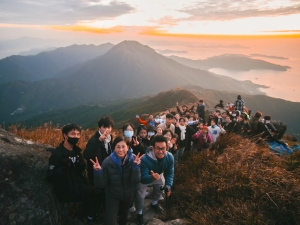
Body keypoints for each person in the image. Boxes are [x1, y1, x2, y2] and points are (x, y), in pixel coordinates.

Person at [47, 123, 101, 223]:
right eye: (73, 134)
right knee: (97, 193)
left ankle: (87, 214)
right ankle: (90, 218)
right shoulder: (58, 154)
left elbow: (78, 171)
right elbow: (50, 177)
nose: (76, 136)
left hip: (77, 184)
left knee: (98, 190)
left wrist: (81, 165)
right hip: (66, 189)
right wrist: (63, 168)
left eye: (78, 134)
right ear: (65, 135)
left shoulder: (76, 151)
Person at [91, 136, 143, 225]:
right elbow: (101, 184)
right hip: (112, 195)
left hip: (128, 194)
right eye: (118, 147)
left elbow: (135, 180)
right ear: (114, 148)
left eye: (123, 146)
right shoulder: (107, 162)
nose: (121, 150)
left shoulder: (134, 159)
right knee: (111, 221)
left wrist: (136, 167)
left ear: (128, 147)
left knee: (124, 216)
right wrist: (98, 172)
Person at [135, 135, 174, 225]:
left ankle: (154, 203)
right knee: (140, 195)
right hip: (146, 177)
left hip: (158, 174)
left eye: (163, 148)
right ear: (153, 148)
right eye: (158, 148)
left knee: (161, 186)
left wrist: (168, 186)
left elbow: (169, 173)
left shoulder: (169, 157)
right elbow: (143, 178)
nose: (160, 151)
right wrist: (151, 177)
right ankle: (139, 212)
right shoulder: (145, 159)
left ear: (167, 148)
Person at [84, 116, 114, 185]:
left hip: (107, 173)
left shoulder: (110, 139)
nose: (107, 130)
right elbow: (86, 155)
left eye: (109, 127)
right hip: (95, 173)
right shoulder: (94, 140)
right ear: (99, 127)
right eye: (104, 127)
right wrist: (99, 141)